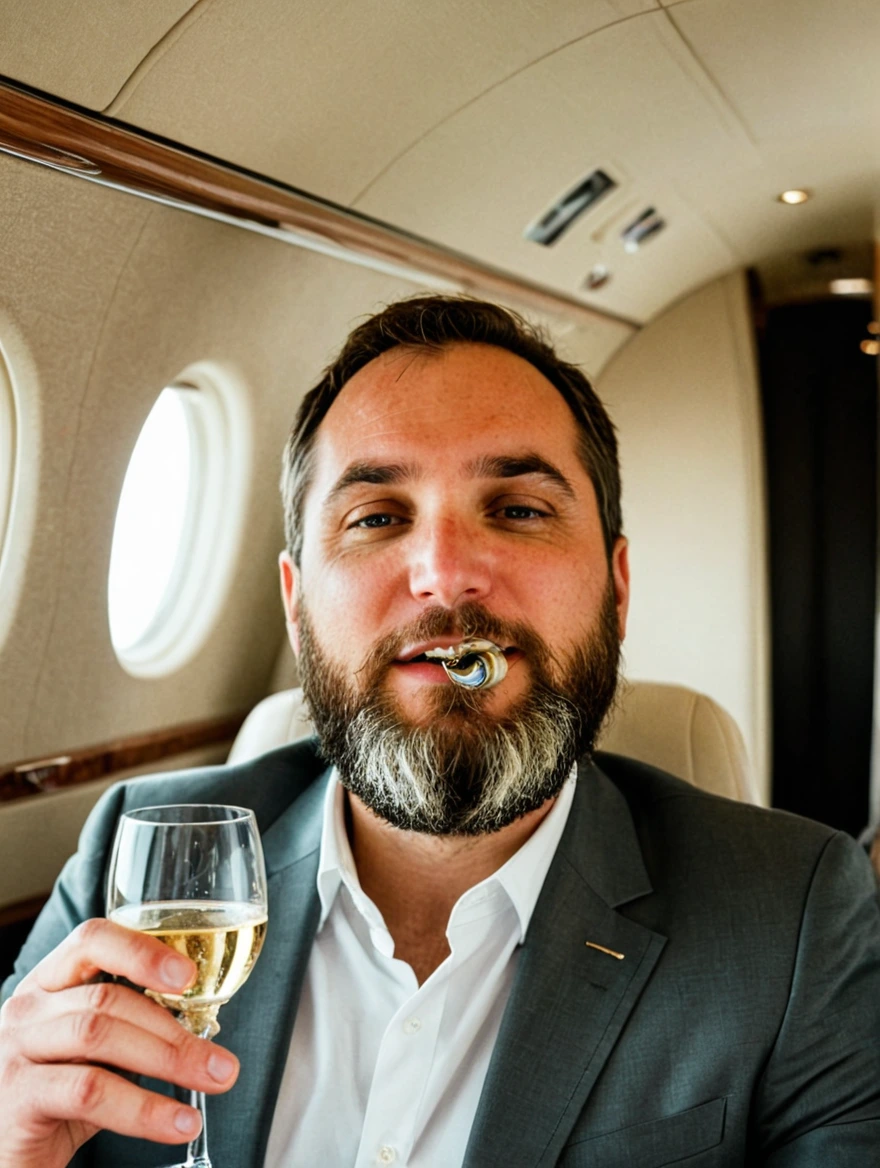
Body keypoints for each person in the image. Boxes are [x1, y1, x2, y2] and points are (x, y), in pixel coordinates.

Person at [2, 296, 879, 1167]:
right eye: (378, 518)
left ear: (616, 590)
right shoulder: (135, 860)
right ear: (297, 605)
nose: (447, 575)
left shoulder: (797, 918)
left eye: (519, 510)